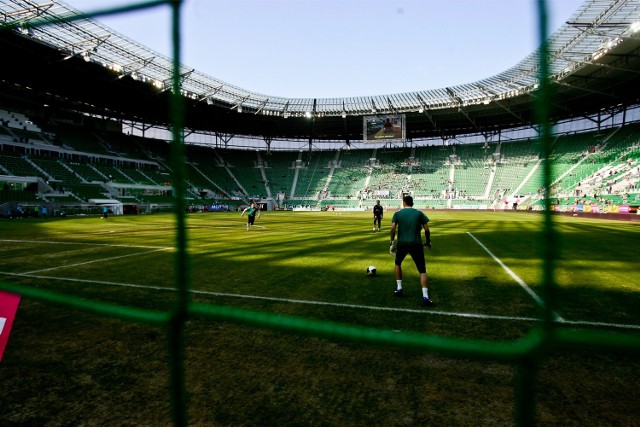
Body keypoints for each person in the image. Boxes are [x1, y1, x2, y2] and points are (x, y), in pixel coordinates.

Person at [389, 195, 433, 306]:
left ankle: (399, 288)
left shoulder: (397, 213)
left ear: (404, 202)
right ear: (412, 203)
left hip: (402, 243)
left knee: (398, 263)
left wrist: (392, 242)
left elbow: (393, 228)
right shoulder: (419, 213)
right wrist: (428, 241)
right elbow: (427, 229)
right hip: (416, 243)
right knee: (422, 270)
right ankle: (425, 297)